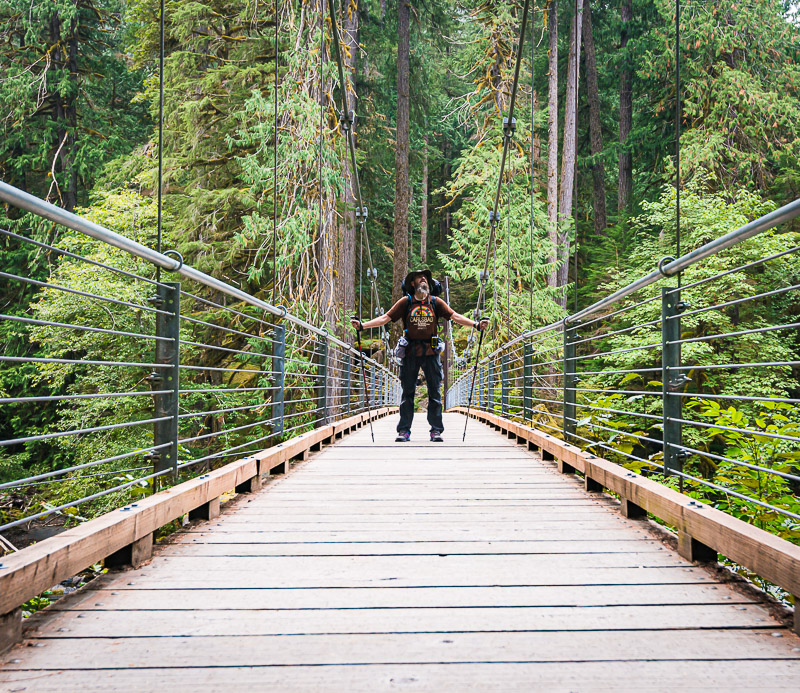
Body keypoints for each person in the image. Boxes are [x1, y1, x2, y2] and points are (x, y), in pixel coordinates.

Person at [350, 269, 489, 442]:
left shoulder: (436, 302)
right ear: (412, 283)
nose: (423, 279)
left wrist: (476, 325)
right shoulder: (406, 302)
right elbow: (385, 318)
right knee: (407, 393)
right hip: (410, 352)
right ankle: (404, 431)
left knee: (435, 393)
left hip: (431, 352)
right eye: (419, 277)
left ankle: (436, 430)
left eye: (425, 278)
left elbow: (455, 316)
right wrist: (362, 326)